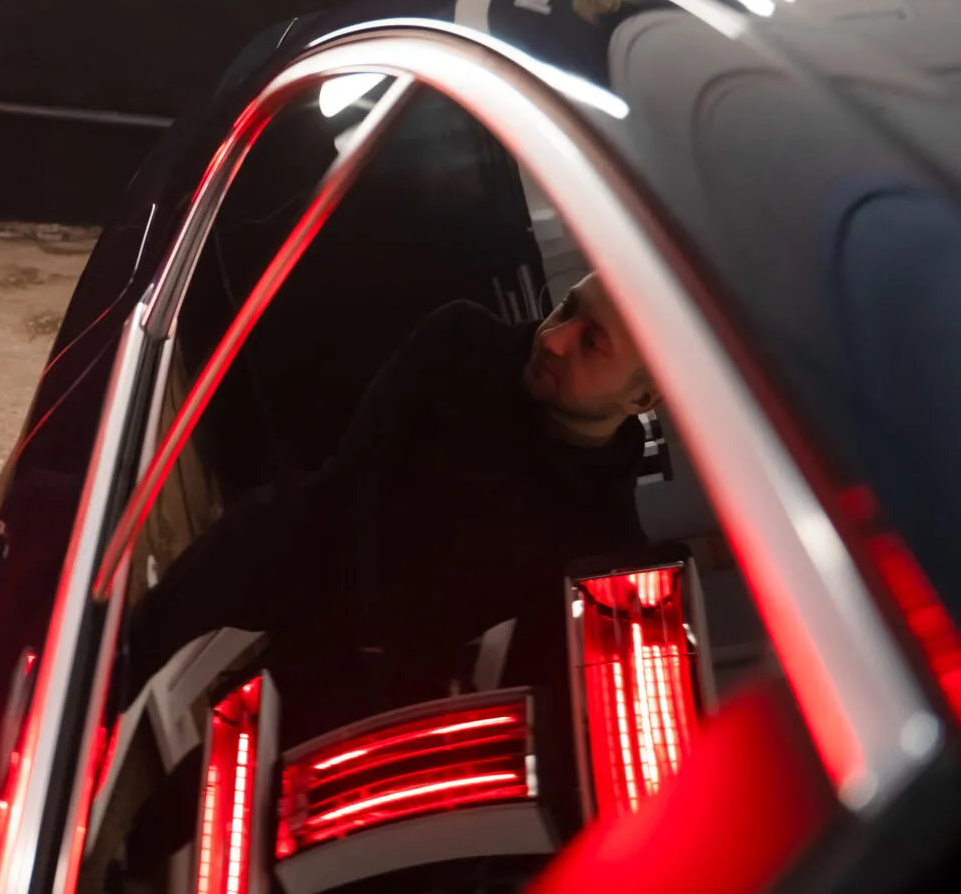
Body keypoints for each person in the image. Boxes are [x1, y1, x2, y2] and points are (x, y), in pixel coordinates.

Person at [126, 271, 660, 701]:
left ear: (642, 400)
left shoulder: (603, 546)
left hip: (386, 670)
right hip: (308, 548)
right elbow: (351, 481)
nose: (555, 337)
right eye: (567, 308)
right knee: (255, 544)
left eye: (592, 342)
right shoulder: (464, 340)